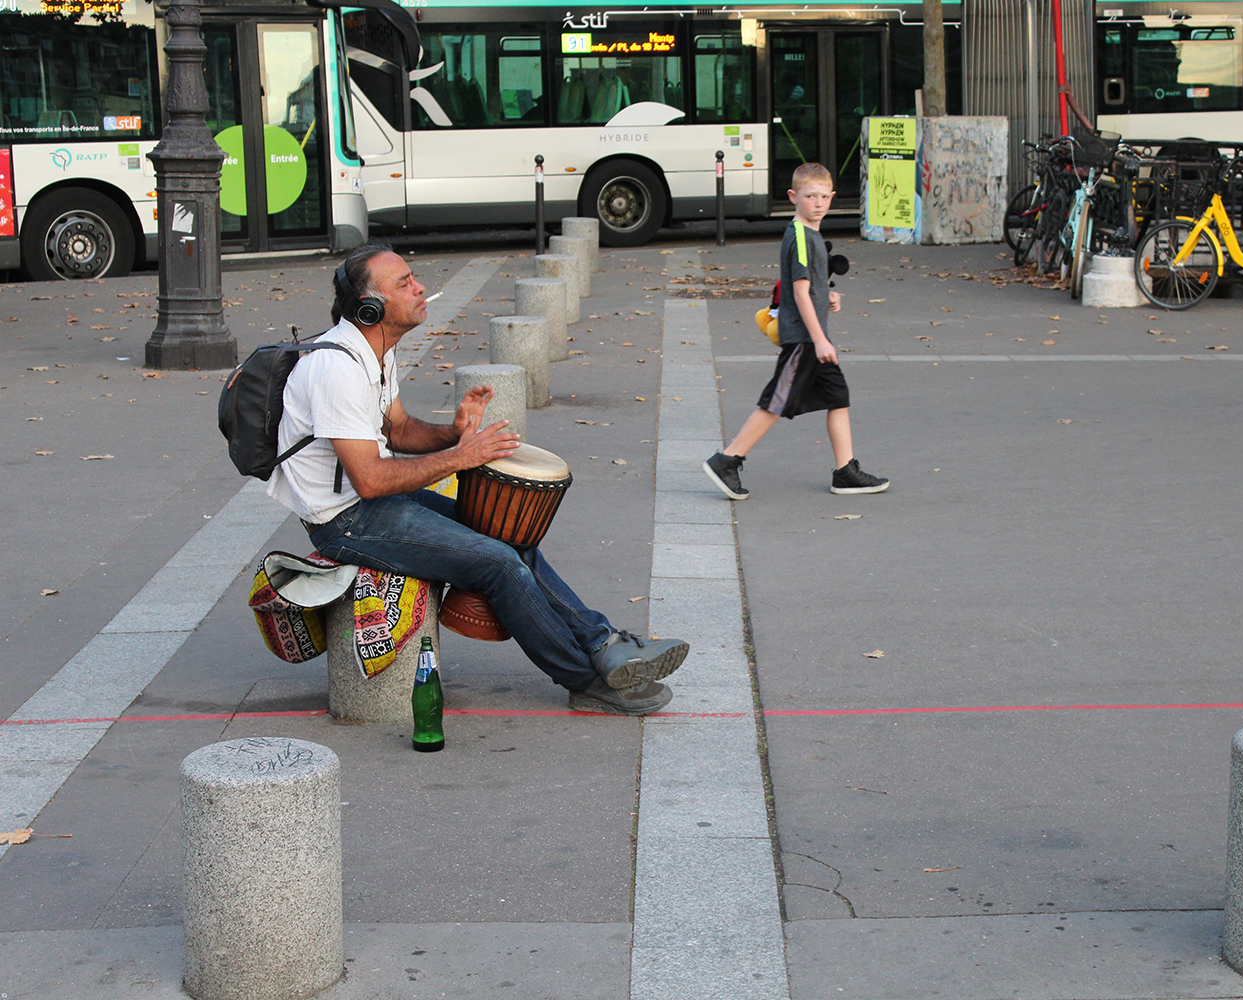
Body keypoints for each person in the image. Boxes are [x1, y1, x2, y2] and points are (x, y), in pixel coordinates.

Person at [268, 242, 688, 715]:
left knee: (511, 535)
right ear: (371, 307)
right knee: (497, 562)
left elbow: (399, 430)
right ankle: (586, 681)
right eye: (404, 283)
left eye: (413, 277)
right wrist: (462, 457)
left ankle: (605, 644)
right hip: (343, 521)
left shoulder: (374, 352)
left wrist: (453, 432)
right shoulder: (337, 368)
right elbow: (368, 480)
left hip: (372, 503)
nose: (420, 287)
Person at [702, 162, 888, 500]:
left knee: (838, 397)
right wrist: (819, 340)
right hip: (804, 341)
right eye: (809, 196)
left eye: (823, 197)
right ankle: (726, 460)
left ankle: (845, 472)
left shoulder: (810, 235)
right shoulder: (801, 238)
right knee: (775, 403)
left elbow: (807, 286)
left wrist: (826, 293)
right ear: (793, 197)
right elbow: (799, 293)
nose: (818, 203)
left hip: (813, 339)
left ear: (832, 197)